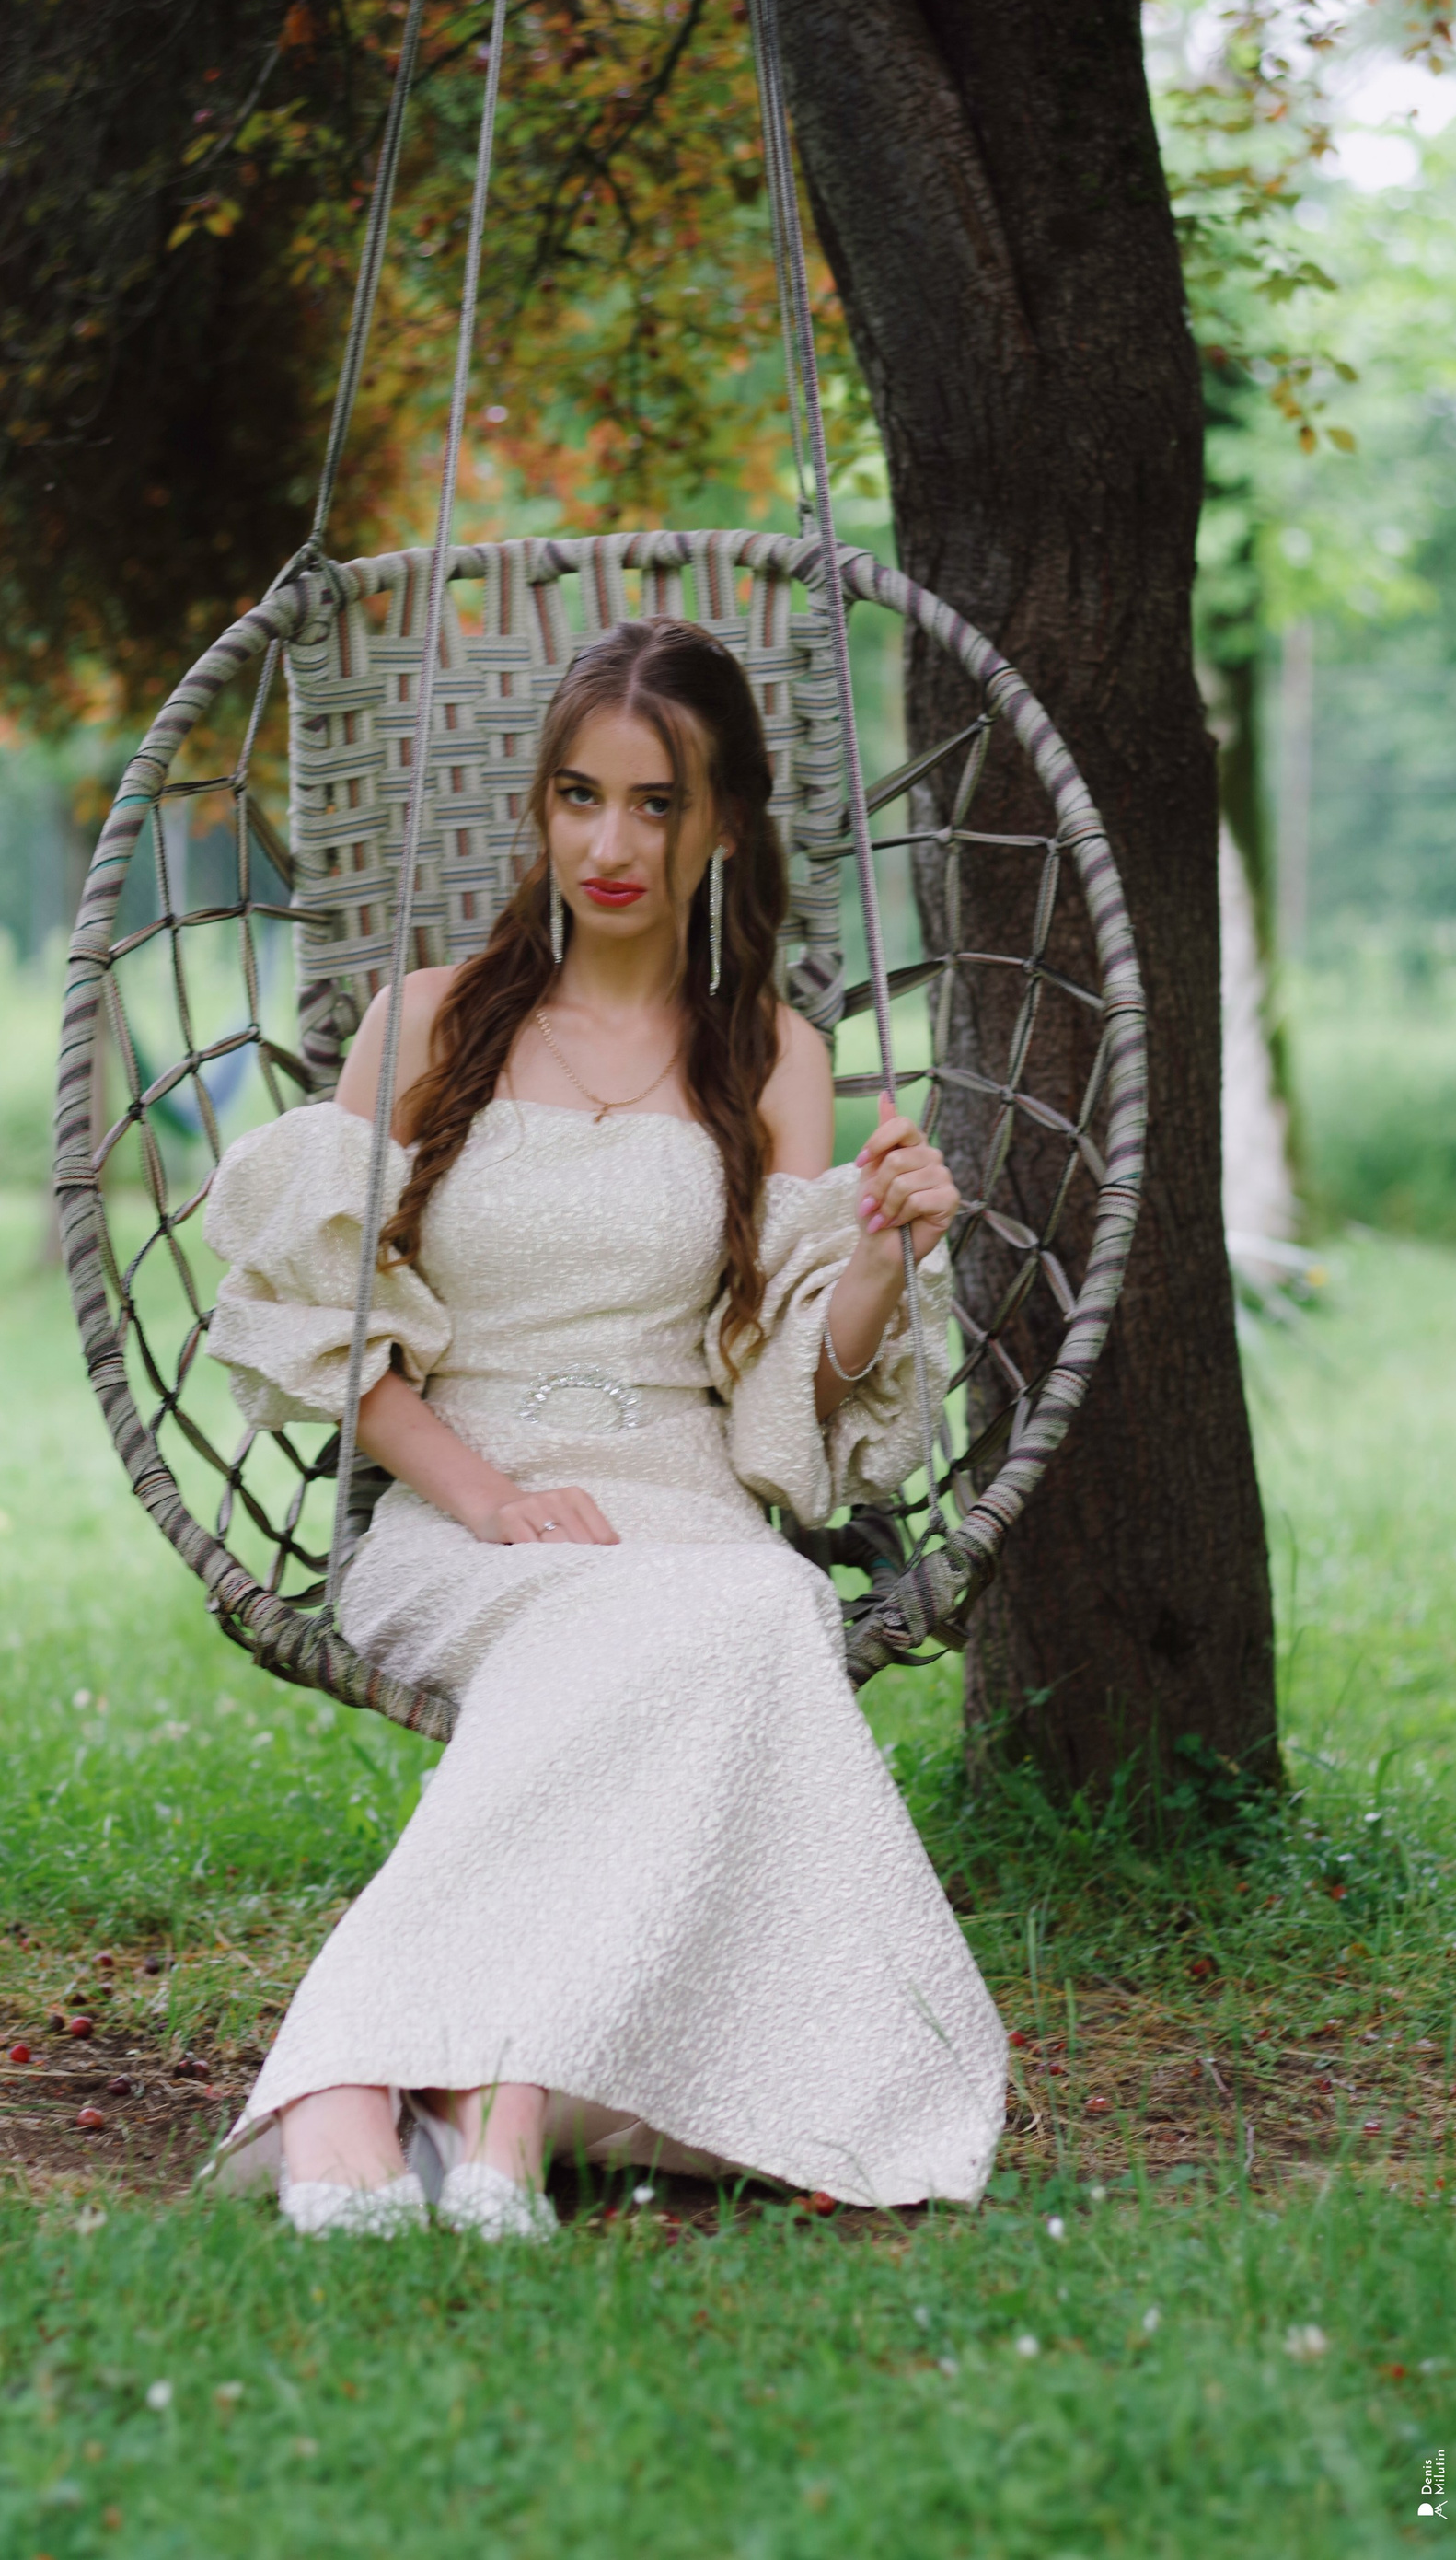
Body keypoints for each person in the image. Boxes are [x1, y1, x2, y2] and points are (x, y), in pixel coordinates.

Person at [201, 616, 1006, 2239]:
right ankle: (437, 2106)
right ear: (541, 808)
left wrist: (876, 1256)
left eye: (657, 804)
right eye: (581, 797)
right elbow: (326, 1316)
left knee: (754, 1606)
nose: (612, 846)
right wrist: (485, 1496)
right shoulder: (427, 1022)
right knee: (704, 1624)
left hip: (685, 1506)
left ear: (724, 828)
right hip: (462, 1510)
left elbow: (784, 1382)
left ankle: (445, 2104)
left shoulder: (771, 1056)